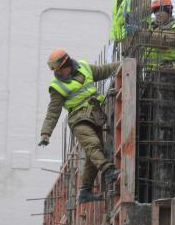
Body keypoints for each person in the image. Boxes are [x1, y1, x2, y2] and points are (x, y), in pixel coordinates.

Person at [39, 49, 120, 204]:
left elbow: (105, 70)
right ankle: (109, 171)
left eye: (61, 70)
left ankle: (85, 192)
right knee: (93, 144)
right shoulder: (57, 86)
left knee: (93, 155)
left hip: (94, 114)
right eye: (57, 72)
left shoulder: (84, 67)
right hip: (78, 119)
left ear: (67, 63)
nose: (59, 74)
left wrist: (124, 64)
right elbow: (53, 112)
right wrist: (45, 133)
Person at [147, 0, 175, 68]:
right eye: (155, 11)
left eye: (160, 10)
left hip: (167, 70)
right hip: (151, 72)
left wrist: (146, 35)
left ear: (169, 11)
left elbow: (165, 41)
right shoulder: (152, 28)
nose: (157, 14)